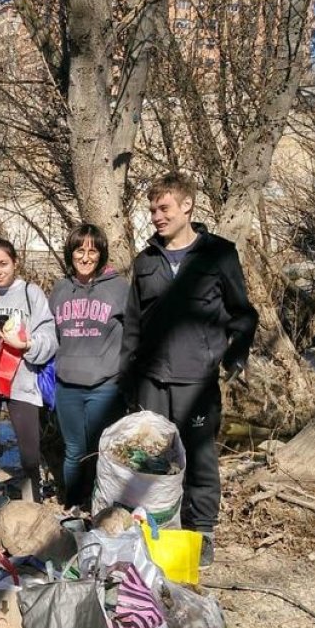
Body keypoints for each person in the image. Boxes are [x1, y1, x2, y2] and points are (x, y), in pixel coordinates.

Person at [120, 172, 258, 567]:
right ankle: (153, 528)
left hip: (196, 379)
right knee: (149, 459)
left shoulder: (218, 254)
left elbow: (244, 314)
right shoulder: (145, 261)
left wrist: (235, 355)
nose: (156, 217)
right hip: (150, 380)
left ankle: (202, 531)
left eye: (163, 208)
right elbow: (133, 324)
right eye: (152, 210)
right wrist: (127, 378)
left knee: (199, 458)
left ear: (187, 206)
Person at [0, 239, 57, 502]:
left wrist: (27, 344)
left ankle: (33, 502)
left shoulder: (32, 293)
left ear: (15, 262)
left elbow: (50, 337)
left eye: (3, 264)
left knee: (30, 456)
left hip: (21, 382)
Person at [48, 224, 128, 509]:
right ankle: (73, 505)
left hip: (104, 386)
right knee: (73, 451)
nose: (85, 257)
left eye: (92, 251)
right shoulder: (60, 289)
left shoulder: (119, 289)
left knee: (99, 451)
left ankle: (99, 507)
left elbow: (135, 334)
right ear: (70, 254)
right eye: (79, 250)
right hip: (67, 385)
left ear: (101, 254)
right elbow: (49, 335)